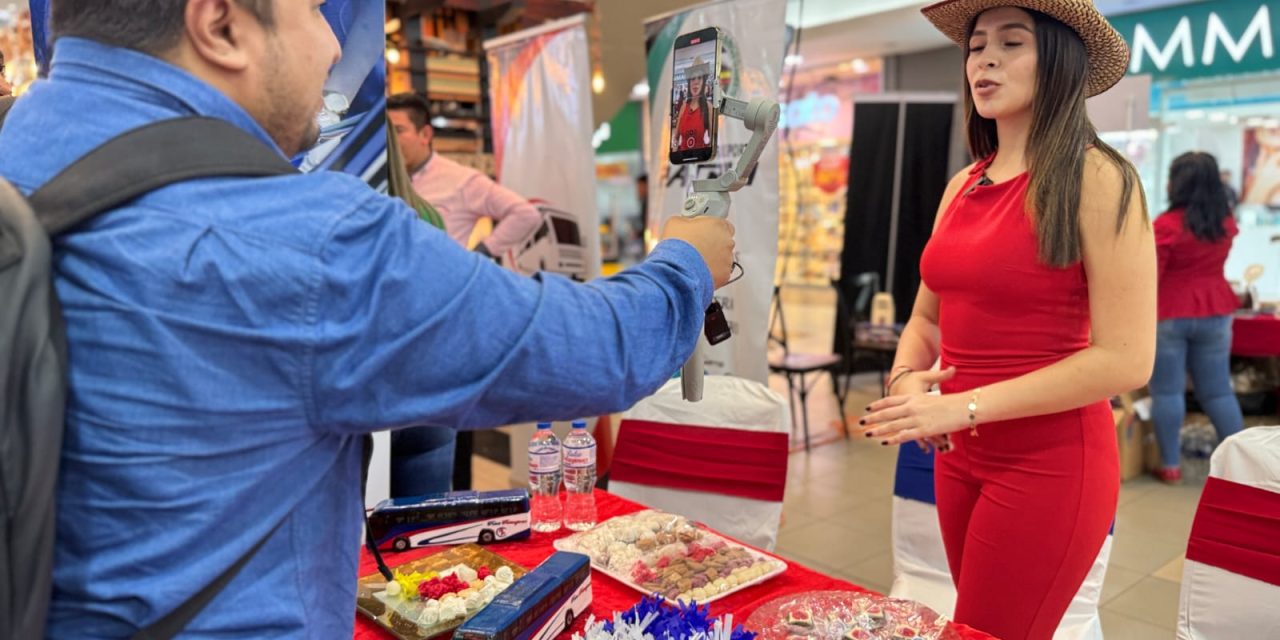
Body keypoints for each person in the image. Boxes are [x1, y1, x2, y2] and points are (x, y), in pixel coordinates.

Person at [0, 1, 734, 637]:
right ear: (220, 24)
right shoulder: (311, 242)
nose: (331, 46)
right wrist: (685, 262)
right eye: (315, 10)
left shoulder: (20, 155)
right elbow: (592, 350)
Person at [861, 2, 1155, 638]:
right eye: (976, 46)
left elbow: (1127, 359)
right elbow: (924, 318)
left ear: (1058, 62)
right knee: (980, 626)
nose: (985, 59)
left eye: (1011, 43)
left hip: (1049, 462)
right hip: (956, 455)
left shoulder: (1099, 177)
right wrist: (909, 380)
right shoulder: (963, 184)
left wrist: (959, 408)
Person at [1149, 152, 1244, 484]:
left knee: (1167, 392)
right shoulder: (1225, 222)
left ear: (1177, 182)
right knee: (1218, 392)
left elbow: (1152, 276)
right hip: (1217, 312)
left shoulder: (1166, 225)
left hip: (1169, 314)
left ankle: (1171, 466)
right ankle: (1240, 468)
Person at [387, 91, 541, 260]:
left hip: (441, 280)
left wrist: (480, 254)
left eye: (398, 131)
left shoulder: (461, 180)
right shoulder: (380, 181)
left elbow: (525, 214)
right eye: (387, 133)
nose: (390, 141)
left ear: (425, 135)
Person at [671, 58, 712, 153]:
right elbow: (676, 138)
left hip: (699, 160)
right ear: (689, 83)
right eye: (693, 78)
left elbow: (712, 140)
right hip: (682, 159)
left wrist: (705, 156)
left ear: (703, 82)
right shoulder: (684, 107)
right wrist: (674, 152)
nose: (696, 82)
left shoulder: (708, 107)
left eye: (699, 78)